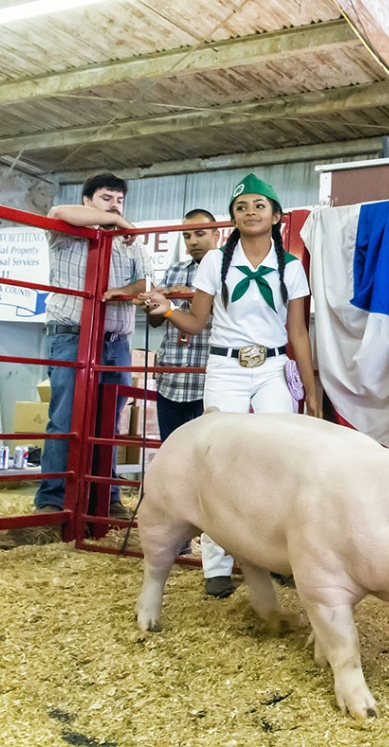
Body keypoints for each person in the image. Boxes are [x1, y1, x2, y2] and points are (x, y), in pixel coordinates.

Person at [138, 174, 320, 598]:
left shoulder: (290, 266)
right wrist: (166, 309)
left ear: (276, 216)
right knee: (217, 459)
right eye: (241, 207)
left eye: (260, 205)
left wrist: (311, 392)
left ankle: (279, 557)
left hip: (274, 366)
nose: (250, 212)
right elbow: (197, 322)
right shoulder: (214, 261)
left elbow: (298, 331)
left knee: (282, 457)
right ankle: (216, 566)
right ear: (233, 218)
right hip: (225, 367)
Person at [34, 173, 152, 520]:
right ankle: (52, 501)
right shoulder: (67, 232)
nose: (115, 205)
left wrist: (125, 291)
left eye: (119, 201)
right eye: (106, 198)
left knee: (108, 422)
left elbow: (146, 282)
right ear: (87, 201)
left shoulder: (131, 241)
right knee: (65, 418)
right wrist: (114, 220)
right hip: (71, 335)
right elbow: (57, 212)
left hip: (116, 342)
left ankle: (106, 497)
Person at [147, 209, 219, 440]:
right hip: (171, 377)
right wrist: (153, 302)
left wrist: (192, 296)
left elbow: (234, 317)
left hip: (207, 379)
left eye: (200, 233)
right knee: (170, 451)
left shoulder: (228, 271)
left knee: (208, 453)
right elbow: (155, 321)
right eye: (187, 236)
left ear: (216, 235)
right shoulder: (174, 270)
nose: (193, 241)